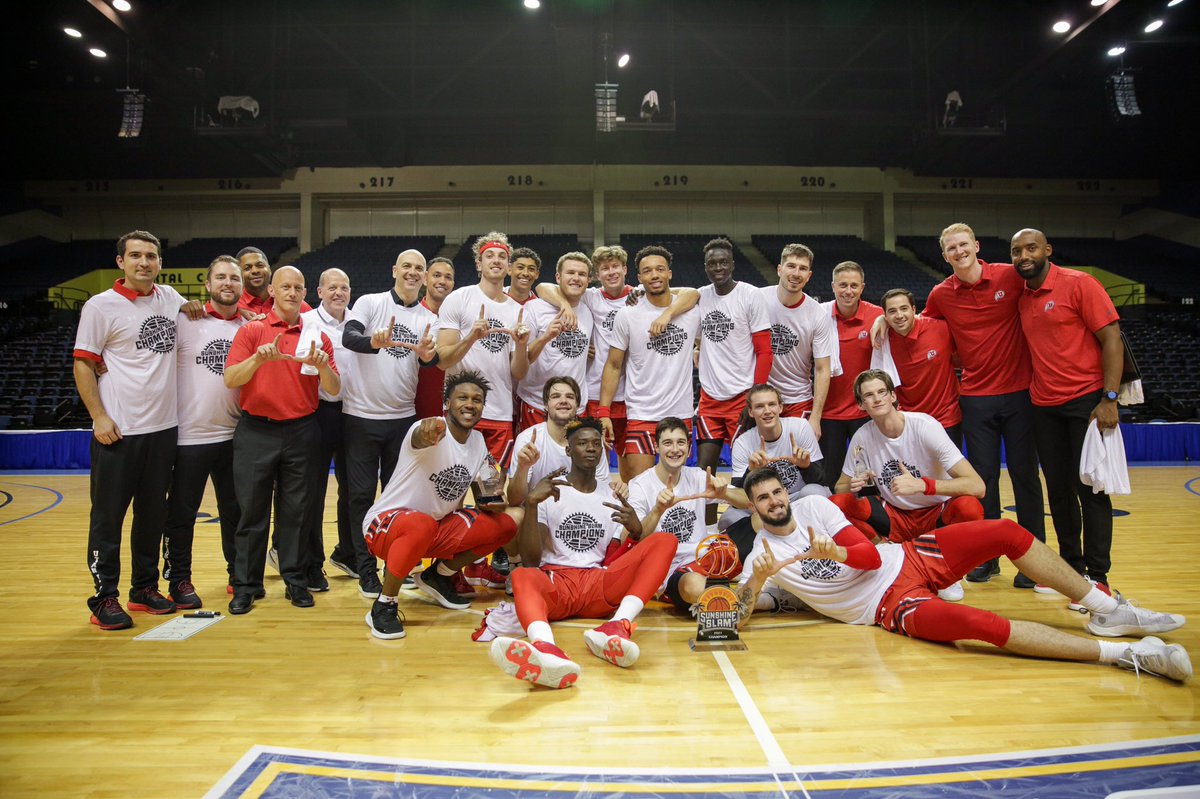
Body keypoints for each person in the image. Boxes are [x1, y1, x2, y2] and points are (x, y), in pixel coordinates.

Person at [734, 466, 1191, 684]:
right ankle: (1129, 655)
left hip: (906, 557)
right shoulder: (762, 553)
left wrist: (837, 550)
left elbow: (870, 560)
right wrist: (755, 583)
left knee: (1004, 531)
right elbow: (735, 618)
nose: (775, 501)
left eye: (778, 493)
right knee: (979, 625)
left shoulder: (814, 507)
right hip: (888, 606)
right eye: (765, 498)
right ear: (753, 506)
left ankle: (1106, 610)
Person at [487, 419, 678, 689]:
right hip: (558, 584)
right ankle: (545, 648)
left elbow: (616, 558)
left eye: (595, 444)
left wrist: (635, 530)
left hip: (597, 584)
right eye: (582, 443)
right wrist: (530, 503)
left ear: (602, 451)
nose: (590, 448)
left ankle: (617, 626)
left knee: (665, 540)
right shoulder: (550, 490)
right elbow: (531, 560)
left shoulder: (612, 494)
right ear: (569, 450)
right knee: (522, 575)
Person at [74, 230, 190, 629]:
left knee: (151, 516)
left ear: (160, 263)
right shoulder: (99, 306)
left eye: (152, 256)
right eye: (136, 256)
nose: (145, 262)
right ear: (121, 261)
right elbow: (84, 363)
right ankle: (104, 597)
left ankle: (144, 588)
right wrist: (99, 416)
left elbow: (200, 312)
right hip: (118, 432)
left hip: (162, 430)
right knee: (108, 518)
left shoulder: (171, 299)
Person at [920, 223, 1045, 588]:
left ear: (976, 245)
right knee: (982, 482)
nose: (959, 252)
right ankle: (987, 559)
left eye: (963, 244)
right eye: (951, 248)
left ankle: (1034, 563)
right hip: (974, 398)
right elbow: (923, 326)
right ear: (944, 256)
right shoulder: (941, 294)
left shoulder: (1010, 276)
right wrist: (882, 319)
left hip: (1021, 393)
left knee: (1025, 476)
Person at [361, 371, 522, 640]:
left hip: (433, 528)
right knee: (420, 524)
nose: (470, 404)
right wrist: (427, 432)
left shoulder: (478, 442)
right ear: (447, 403)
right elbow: (420, 436)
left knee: (505, 524)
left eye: (477, 399)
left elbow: (487, 493)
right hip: (386, 525)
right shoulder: (429, 427)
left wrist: (495, 497)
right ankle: (384, 604)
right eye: (462, 398)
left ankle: (438, 575)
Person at [1013, 228, 1125, 605]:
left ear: (1048, 250)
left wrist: (1110, 397)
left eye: (1030, 248)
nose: (1023, 256)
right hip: (1044, 406)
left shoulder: (1080, 284)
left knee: (1090, 489)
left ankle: (1099, 576)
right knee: (1058, 490)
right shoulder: (1022, 296)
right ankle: (1072, 570)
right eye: (1016, 251)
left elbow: (1112, 338)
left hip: (1086, 403)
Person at [224, 266, 340, 615]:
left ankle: (295, 580)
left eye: (298, 288)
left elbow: (333, 390)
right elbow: (231, 378)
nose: (292, 292)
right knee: (251, 513)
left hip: (302, 431)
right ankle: (246, 585)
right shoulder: (252, 330)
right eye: (285, 286)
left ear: (305, 293)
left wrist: (323, 367)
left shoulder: (317, 334)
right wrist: (258, 360)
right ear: (271, 290)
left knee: (296, 513)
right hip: (257, 431)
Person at [538, 244, 698, 481]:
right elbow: (543, 287)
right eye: (604, 268)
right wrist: (564, 306)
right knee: (591, 461)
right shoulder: (591, 297)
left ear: (626, 271)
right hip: (597, 393)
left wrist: (668, 313)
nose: (611, 272)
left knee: (630, 471)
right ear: (597, 275)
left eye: (615, 267)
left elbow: (692, 293)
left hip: (632, 397)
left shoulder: (640, 295)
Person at [338, 249, 439, 598]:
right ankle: (366, 571)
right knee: (361, 498)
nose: (412, 273)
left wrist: (428, 357)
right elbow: (348, 337)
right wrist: (373, 342)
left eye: (419, 269)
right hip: (361, 418)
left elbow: (430, 360)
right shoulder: (371, 302)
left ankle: (395, 566)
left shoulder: (429, 317)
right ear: (394, 270)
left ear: (425, 277)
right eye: (407, 266)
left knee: (399, 500)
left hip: (402, 421)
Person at [832, 370, 984, 601]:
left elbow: (977, 485)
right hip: (896, 517)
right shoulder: (863, 436)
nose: (877, 399)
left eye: (882, 392)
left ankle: (949, 572)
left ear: (893, 396)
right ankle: (884, 554)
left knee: (969, 508)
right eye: (869, 395)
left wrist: (923, 485)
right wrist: (853, 485)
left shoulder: (924, 427)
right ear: (862, 405)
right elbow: (839, 488)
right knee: (839, 504)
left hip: (936, 514)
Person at [161, 255, 246, 608]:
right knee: (181, 515)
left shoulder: (251, 326)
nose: (228, 283)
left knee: (235, 512)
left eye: (235, 278)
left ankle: (238, 574)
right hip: (188, 438)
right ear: (207, 285)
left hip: (234, 436)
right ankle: (180, 579)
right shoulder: (184, 320)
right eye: (221, 277)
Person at [627, 417, 756, 613]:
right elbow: (634, 538)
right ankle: (755, 599)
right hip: (674, 570)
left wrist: (724, 494)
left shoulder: (696, 475)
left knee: (763, 517)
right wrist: (657, 510)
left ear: (688, 448)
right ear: (656, 447)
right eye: (667, 443)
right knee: (695, 587)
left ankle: (779, 581)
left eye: (680, 443)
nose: (675, 449)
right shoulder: (640, 485)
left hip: (710, 556)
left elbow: (751, 502)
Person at [597, 246, 701, 478]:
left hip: (678, 414)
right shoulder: (628, 314)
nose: (654, 275)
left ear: (669, 274)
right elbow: (613, 365)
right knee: (638, 489)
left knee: (675, 490)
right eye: (647, 271)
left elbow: (695, 294)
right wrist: (604, 412)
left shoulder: (691, 312)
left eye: (660, 269)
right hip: (641, 413)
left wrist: (696, 348)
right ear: (639, 278)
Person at [435, 232, 531, 475]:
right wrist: (471, 338)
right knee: (452, 485)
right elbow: (442, 361)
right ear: (479, 263)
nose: (496, 260)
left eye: (502, 257)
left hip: (499, 411)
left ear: (509, 266)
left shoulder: (517, 311)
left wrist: (521, 345)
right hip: (460, 407)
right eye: (489, 255)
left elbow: (518, 373)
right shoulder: (458, 299)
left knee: (492, 492)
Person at [694, 237, 772, 525]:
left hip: (742, 396)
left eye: (723, 262)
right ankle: (705, 530)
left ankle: (753, 525)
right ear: (705, 266)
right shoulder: (701, 295)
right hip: (710, 399)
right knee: (704, 472)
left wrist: (754, 398)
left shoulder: (751, 296)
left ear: (733, 264)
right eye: (712, 263)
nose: (718, 267)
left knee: (749, 471)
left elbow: (765, 350)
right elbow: (672, 293)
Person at [759, 243, 834, 438]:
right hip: (761, 397)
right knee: (760, 463)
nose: (796, 273)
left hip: (798, 399)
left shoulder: (817, 314)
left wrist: (816, 417)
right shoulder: (757, 299)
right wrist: (698, 347)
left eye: (802, 268)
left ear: (809, 275)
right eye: (791, 266)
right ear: (779, 269)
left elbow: (822, 368)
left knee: (797, 463)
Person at [819, 261, 883, 490]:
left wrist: (884, 320)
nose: (848, 291)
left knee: (869, 478)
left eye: (854, 285)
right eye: (843, 285)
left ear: (862, 287)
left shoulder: (878, 315)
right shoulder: (819, 315)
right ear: (833, 286)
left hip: (864, 412)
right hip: (829, 413)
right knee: (830, 478)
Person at [515, 253, 593, 431]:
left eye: (581, 274)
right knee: (534, 458)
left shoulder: (588, 311)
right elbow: (523, 359)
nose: (576, 278)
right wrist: (546, 337)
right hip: (536, 404)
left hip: (575, 407)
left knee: (571, 459)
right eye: (570, 272)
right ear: (558, 277)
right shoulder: (534, 308)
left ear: (588, 280)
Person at [874, 288, 962, 445]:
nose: (899, 315)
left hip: (946, 419)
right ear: (885, 316)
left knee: (948, 470)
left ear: (914, 309)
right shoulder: (883, 340)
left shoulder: (941, 328)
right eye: (892, 311)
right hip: (908, 421)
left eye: (904, 308)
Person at [414, 256, 455, 419]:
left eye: (448, 277)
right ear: (425, 279)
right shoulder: (412, 315)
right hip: (415, 404)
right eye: (436, 275)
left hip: (450, 406)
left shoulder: (460, 319)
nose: (442, 281)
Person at [236, 246, 311, 316]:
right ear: (238, 273)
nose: (255, 271)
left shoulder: (293, 302)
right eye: (247, 268)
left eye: (260, 265)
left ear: (269, 269)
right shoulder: (233, 306)